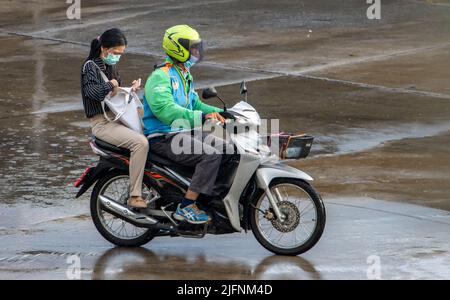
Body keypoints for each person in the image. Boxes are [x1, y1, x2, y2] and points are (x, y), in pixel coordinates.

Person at [143, 25, 231, 224]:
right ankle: (186, 206)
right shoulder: (160, 77)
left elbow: (194, 103)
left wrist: (219, 112)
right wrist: (202, 118)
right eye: (192, 48)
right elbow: (166, 111)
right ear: (178, 48)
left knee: (227, 148)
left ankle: (209, 198)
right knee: (211, 154)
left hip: (182, 132)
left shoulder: (184, 73)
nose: (197, 52)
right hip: (163, 137)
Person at [81, 28, 149, 209]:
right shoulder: (90, 67)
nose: (117, 57)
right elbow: (92, 93)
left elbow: (114, 94)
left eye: (120, 54)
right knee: (140, 143)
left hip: (118, 118)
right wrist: (110, 84)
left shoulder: (110, 66)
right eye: (115, 53)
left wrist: (130, 89)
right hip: (102, 124)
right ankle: (135, 195)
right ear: (104, 48)